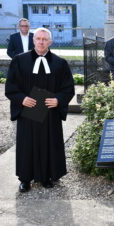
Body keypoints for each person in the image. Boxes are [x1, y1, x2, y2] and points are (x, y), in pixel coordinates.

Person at [5, 27, 75, 192]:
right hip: (28, 112)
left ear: (50, 42)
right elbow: (10, 86)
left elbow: (68, 88)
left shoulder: (60, 63)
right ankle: (25, 179)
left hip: (50, 114)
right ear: (33, 40)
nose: (41, 42)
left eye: (44, 39)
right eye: (38, 38)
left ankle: (47, 177)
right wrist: (22, 99)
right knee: (27, 145)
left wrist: (58, 100)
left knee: (49, 143)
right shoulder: (19, 60)